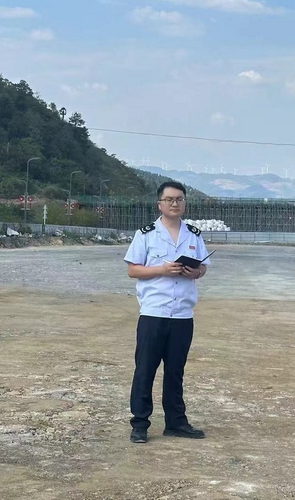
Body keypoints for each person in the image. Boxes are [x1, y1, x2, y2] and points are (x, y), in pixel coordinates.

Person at [124, 181, 212, 443]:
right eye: (170, 199)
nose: (175, 204)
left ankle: (175, 422)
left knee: (176, 371)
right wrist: (161, 270)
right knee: (145, 370)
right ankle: (140, 424)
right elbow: (133, 270)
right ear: (159, 204)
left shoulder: (194, 234)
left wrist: (195, 272)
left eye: (180, 199)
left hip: (183, 315)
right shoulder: (146, 234)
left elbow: (204, 267)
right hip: (154, 313)